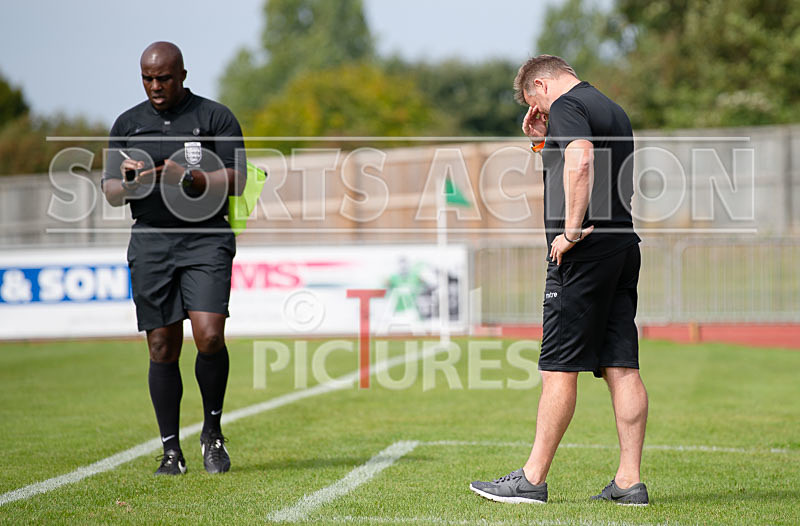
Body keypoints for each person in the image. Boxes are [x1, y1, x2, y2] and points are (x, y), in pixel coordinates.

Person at [469, 55, 649, 505]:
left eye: (537, 104)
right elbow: (583, 160)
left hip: (584, 252)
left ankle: (531, 479)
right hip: (622, 244)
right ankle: (629, 482)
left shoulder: (568, 105)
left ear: (542, 85)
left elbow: (582, 161)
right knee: (622, 366)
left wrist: (569, 231)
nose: (541, 113)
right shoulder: (610, 107)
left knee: (557, 366)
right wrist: (543, 141)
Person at [101, 42, 246, 475]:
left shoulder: (214, 116)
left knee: (209, 336)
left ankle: (213, 436)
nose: (155, 86)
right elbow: (109, 191)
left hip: (206, 238)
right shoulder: (128, 124)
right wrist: (128, 182)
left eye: (163, 77)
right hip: (151, 241)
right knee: (162, 345)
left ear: (182, 74)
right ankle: (170, 450)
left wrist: (191, 176)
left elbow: (238, 179)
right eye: (147, 78)